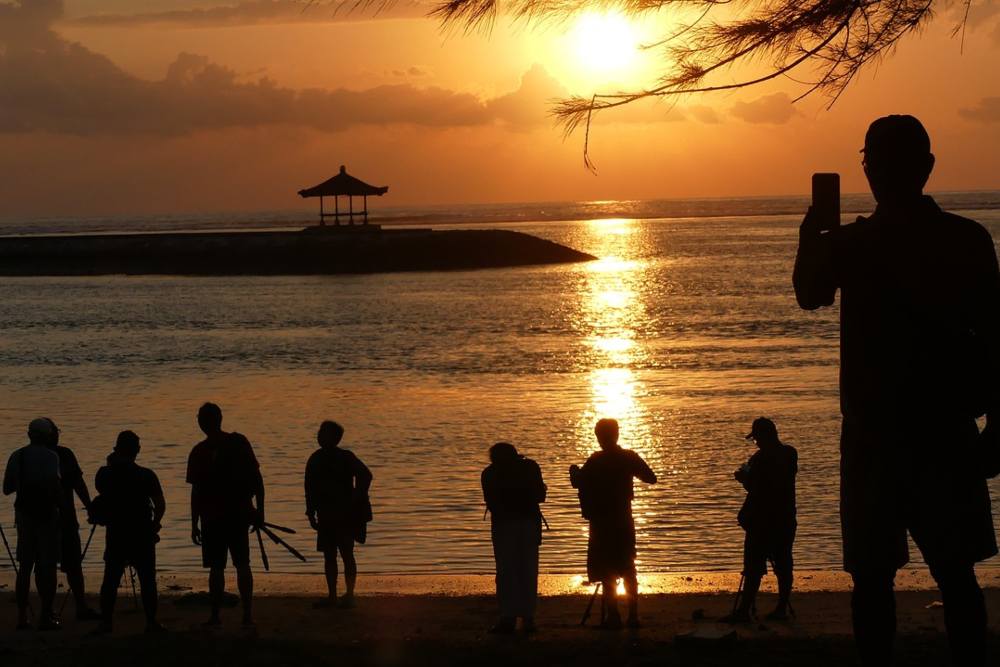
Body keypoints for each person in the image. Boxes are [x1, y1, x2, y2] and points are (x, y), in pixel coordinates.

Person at [794, 115, 999, 666]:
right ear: (927, 167)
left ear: (871, 169)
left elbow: (808, 294)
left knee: (877, 579)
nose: (876, 170)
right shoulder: (966, 239)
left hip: (878, 439)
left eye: (875, 161)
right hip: (940, 434)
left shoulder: (855, 243)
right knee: (952, 576)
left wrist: (809, 239)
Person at [569, 418, 656, 629]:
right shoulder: (628, 457)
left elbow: (578, 483)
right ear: (617, 434)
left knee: (606, 568)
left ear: (599, 437)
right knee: (627, 567)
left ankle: (614, 616)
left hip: (601, 521)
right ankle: (633, 616)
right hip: (623, 519)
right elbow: (650, 478)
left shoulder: (596, 460)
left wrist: (574, 472)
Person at [187, 402, 265, 628]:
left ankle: (216, 616)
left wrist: (194, 523)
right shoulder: (238, 443)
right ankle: (246, 615)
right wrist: (259, 511)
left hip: (215, 518)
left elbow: (196, 492)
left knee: (217, 567)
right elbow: (257, 480)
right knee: (241, 564)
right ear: (220, 419)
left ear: (201, 423)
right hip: (236, 515)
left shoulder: (199, 451)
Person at [723, 417, 797, 623]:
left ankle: (744, 610)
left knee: (754, 566)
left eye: (756, 439)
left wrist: (743, 478)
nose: (756, 442)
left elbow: (756, 487)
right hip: (785, 518)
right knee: (783, 564)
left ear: (763, 437)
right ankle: (781, 607)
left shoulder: (761, 459)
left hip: (761, 521)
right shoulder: (790, 454)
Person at [93, 430, 166, 634]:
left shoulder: (104, 474)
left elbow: (102, 492)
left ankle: (106, 622)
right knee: (147, 580)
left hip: (116, 533)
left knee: (110, 580)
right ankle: (151, 622)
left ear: (116, 450)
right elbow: (160, 505)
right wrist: (155, 524)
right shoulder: (147, 475)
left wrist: (110, 465)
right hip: (142, 533)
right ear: (137, 450)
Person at [304, 421, 372, 609]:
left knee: (346, 553)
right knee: (329, 556)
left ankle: (349, 595)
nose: (319, 436)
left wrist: (357, 497)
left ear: (335, 438)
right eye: (319, 432)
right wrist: (311, 512)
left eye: (323, 433)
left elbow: (365, 475)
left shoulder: (345, 457)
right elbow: (309, 489)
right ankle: (333, 596)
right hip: (326, 514)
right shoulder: (315, 459)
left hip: (344, 514)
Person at [3, 418, 62, 630]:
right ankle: (46, 614)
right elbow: (56, 489)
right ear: (47, 436)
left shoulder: (17, 456)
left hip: (24, 517)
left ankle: (21, 618)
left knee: (25, 567)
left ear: (29, 435)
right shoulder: (51, 457)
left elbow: (7, 488)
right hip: (46, 517)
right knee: (47, 566)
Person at [481, 442, 546, 634]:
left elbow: (491, 503)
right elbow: (540, 496)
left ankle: (508, 617)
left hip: (503, 526)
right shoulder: (530, 467)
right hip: (528, 524)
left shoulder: (489, 473)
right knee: (528, 570)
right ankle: (528, 618)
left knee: (506, 571)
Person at [43, 418, 101, 621]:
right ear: (52, 435)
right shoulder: (64, 454)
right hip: (65, 517)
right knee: (73, 564)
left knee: (46, 565)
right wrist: (90, 507)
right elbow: (78, 484)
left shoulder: (27, 456)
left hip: (39, 519)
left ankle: (46, 611)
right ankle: (81, 606)